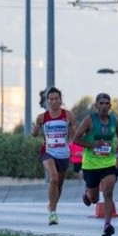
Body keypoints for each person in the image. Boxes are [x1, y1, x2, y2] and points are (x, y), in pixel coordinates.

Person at [72, 93, 118, 236]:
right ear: (96, 105)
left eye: (106, 103)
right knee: (95, 199)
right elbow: (75, 139)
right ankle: (87, 194)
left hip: (108, 163)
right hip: (91, 165)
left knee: (108, 192)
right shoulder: (89, 120)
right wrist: (91, 145)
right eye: (101, 103)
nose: (103, 106)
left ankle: (107, 225)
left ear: (110, 106)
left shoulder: (115, 121)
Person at [32, 87, 75, 225]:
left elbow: (73, 137)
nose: (54, 101)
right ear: (47, 101)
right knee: (54, 179)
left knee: (59, 184)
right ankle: (53, 213)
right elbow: (34, 134)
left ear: (60, 100)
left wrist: (72, 127)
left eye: (56, 98)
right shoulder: (42, 117)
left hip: (63, 152)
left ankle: (52, 204)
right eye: (51, 99)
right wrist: (36, 129)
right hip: (48, 151)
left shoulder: (68, 115)